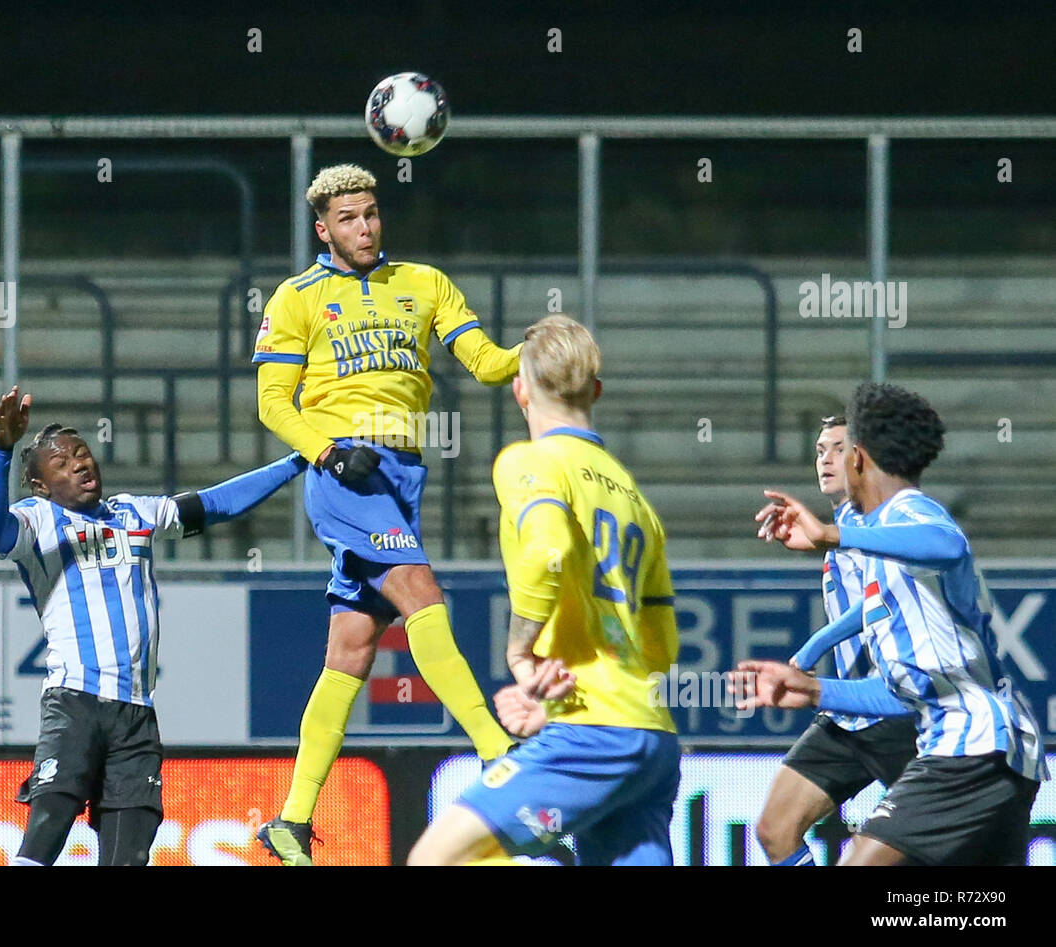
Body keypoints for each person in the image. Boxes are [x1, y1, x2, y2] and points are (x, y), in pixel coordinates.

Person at [253, 163, 524, 864]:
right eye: (348, 218)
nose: (365, 227)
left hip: (401, 475)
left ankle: (290, 817)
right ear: (324, 229)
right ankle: (499, 755)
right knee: (422, 593)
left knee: (351, 645)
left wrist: (540, 348)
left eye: (371, 214)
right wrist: (328, 452)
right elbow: (273, 402)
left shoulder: (424, 283)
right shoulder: (297, 297)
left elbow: (489, 364)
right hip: (346, 473)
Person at [0, 386, 305, 866]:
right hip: (75, 704)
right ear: (42, 486)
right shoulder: (37, 520)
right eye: (63, 463)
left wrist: (298, 461)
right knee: (43, 838)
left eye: (82, 454)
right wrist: (2, 448)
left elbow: (217, 504)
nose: (81, 465)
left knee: (128, 856)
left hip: (136, 715)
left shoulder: (135, 513)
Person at [409, 315, 681, 866]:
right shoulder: (635, 499)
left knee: (435, 859)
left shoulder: (528, 461)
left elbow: (548, 550)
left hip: (593, 733)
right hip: (651, 737)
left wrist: (520, 651)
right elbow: (660, 645)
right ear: (596, 391)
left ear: (520, 389)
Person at [737, 382, 1047, 865]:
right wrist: (815, 690)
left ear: (857, 458)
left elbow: (947, 544)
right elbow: (902, 693)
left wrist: (834, 535)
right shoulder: (879, 544)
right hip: (982, 752)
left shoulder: (908, 513)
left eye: (840, 450)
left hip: (970, 750)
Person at [750, 415, 915, 865]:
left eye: (837, 449)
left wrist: (810, 650)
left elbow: (881, 601)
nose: (824, 460)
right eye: (819, 450)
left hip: (897, 714)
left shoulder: (888, 519)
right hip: (848, 715)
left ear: (863, 457)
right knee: (774, 830)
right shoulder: (843, 523)